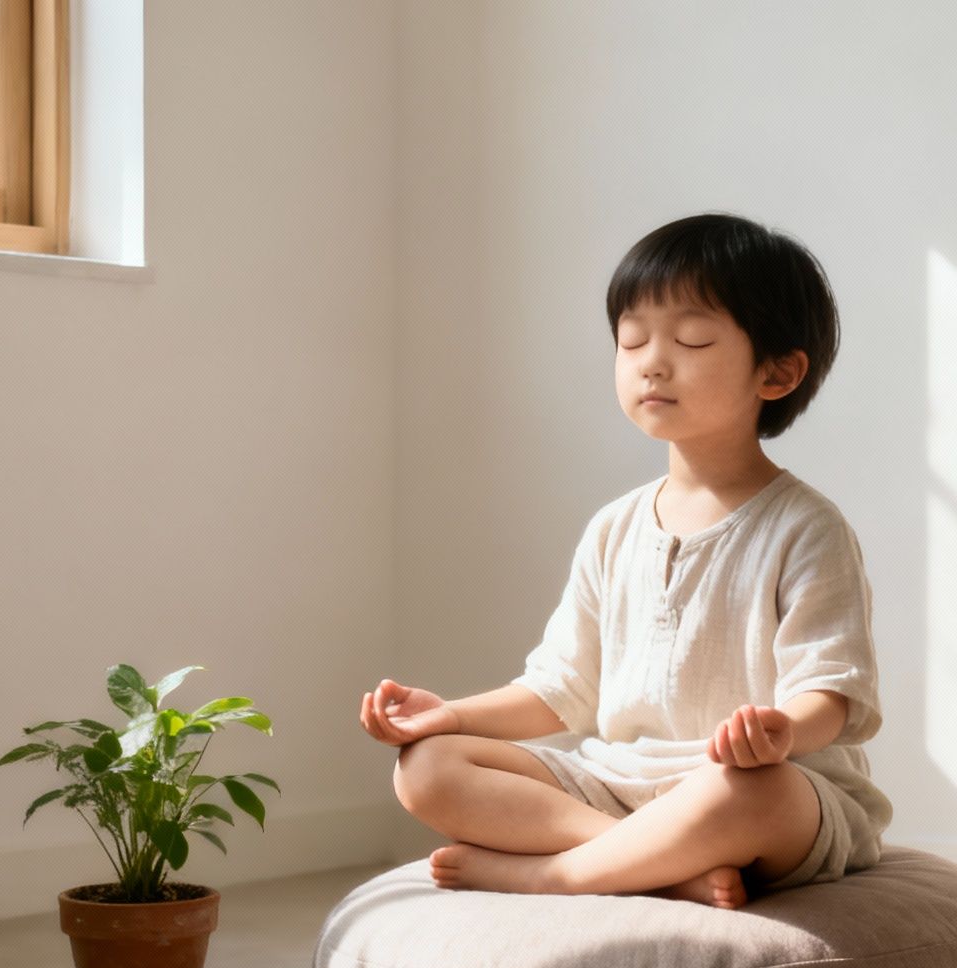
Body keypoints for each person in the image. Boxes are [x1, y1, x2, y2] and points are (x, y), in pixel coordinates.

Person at [358, 211, 893, 909]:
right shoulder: (615, 528)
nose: (652, 361)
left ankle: (554, 874)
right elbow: (561, 689)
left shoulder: (805, 527)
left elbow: (834, 688)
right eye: (632, 339)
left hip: (747, 786)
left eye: (691, 338)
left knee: (752, 794)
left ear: (777, 371)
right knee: (426, 770)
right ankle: (655, 864)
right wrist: (448, 717)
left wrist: (781, 733)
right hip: (617, 785)